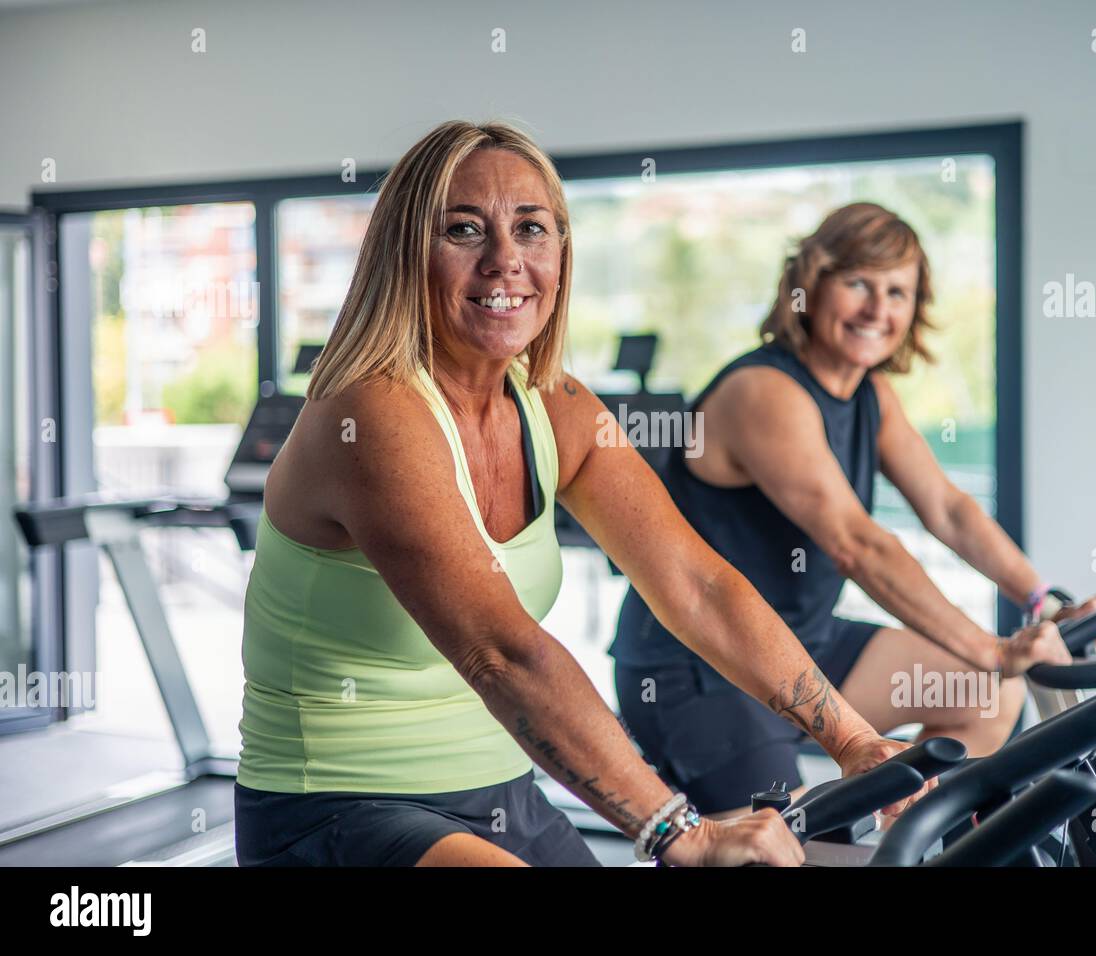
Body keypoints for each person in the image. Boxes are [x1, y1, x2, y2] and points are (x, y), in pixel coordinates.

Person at [233, 122, 929, 868]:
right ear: (406, 253)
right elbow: (503, 652)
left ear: (561, 254)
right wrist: (678, 832)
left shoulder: (554, 403)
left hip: (500, 791)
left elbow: (695, 584)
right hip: (338, 808)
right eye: (464, 230)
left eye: (531, 229)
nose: (506, 261)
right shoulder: (369, 412)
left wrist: (854, 741)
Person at [612, 202, 1096, 817]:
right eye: (858, 283)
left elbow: (948, 509)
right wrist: (993, 648)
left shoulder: (870, 393)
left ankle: (913, 835)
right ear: (810, 288)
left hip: (803, 647)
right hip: (700, 665)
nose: (878, 309)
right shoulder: (763, 392)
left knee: (985, 695)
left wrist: (1041, 600)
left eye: (898, 291)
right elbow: (856, 543)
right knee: (779, 843)